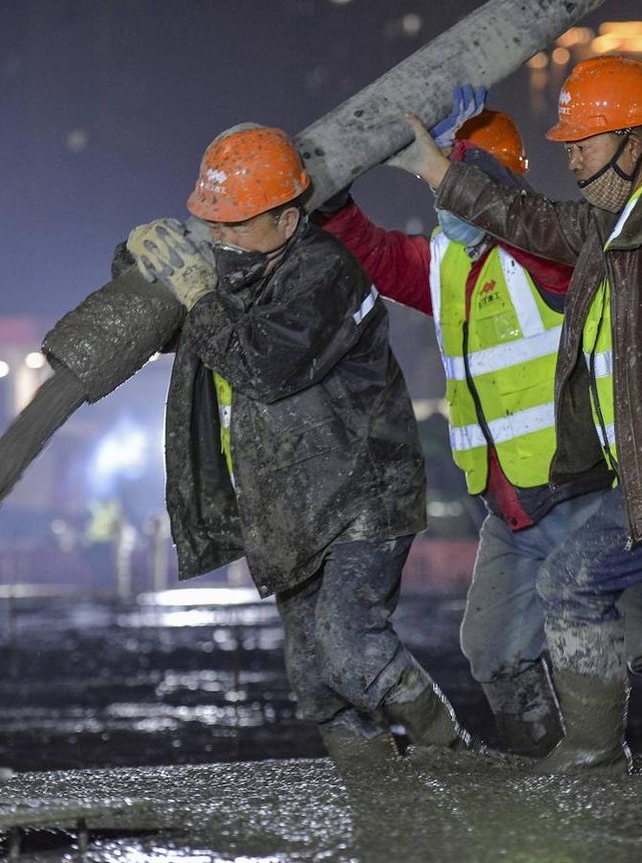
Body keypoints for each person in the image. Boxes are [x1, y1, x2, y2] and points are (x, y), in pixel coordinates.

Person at [388, 57, 642, 775]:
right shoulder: (621, 222)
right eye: (568, 145)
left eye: (585, 144)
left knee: (573, 579)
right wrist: (436, 170)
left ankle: (594, 752)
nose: (570, 160)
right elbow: (529, 218)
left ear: (635, 144)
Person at [315, 93, 642, 760]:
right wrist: (329, 198)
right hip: (513, 511)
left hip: (588, 490)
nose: (446, 194)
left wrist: (460, 161)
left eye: (454, 177)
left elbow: (515, 218)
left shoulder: (552, 253)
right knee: (493, 648)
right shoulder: (448, 262)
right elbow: (376, 255)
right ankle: (546, 765)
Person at [115, 123, 477, 765]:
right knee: (315, 681)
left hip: (362, 495)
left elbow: (260, 365)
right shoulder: (242, 267)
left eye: (235, 226)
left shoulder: (323, 272)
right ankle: (377, 795)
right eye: (212, 224)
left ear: (287, 220)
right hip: (288, 501)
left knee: (348, 643)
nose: (221, 240)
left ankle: (447, 750)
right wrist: (135, 260)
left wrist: (196, 289)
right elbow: (170, 322)